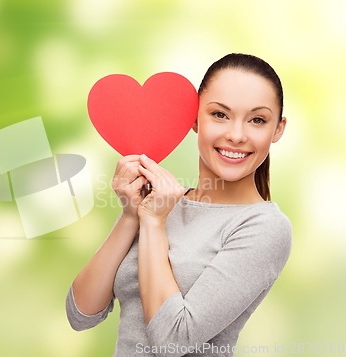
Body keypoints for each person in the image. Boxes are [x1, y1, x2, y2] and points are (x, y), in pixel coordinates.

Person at [66, 53, 292, 357]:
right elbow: (81, 313)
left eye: (257, 120)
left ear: (277, 129)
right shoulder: (161, 202)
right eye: (220, 115)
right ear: (194, 119)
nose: (236, 135)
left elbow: (173, 340)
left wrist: (154, 223)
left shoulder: (265, 227)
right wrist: (132, 215)